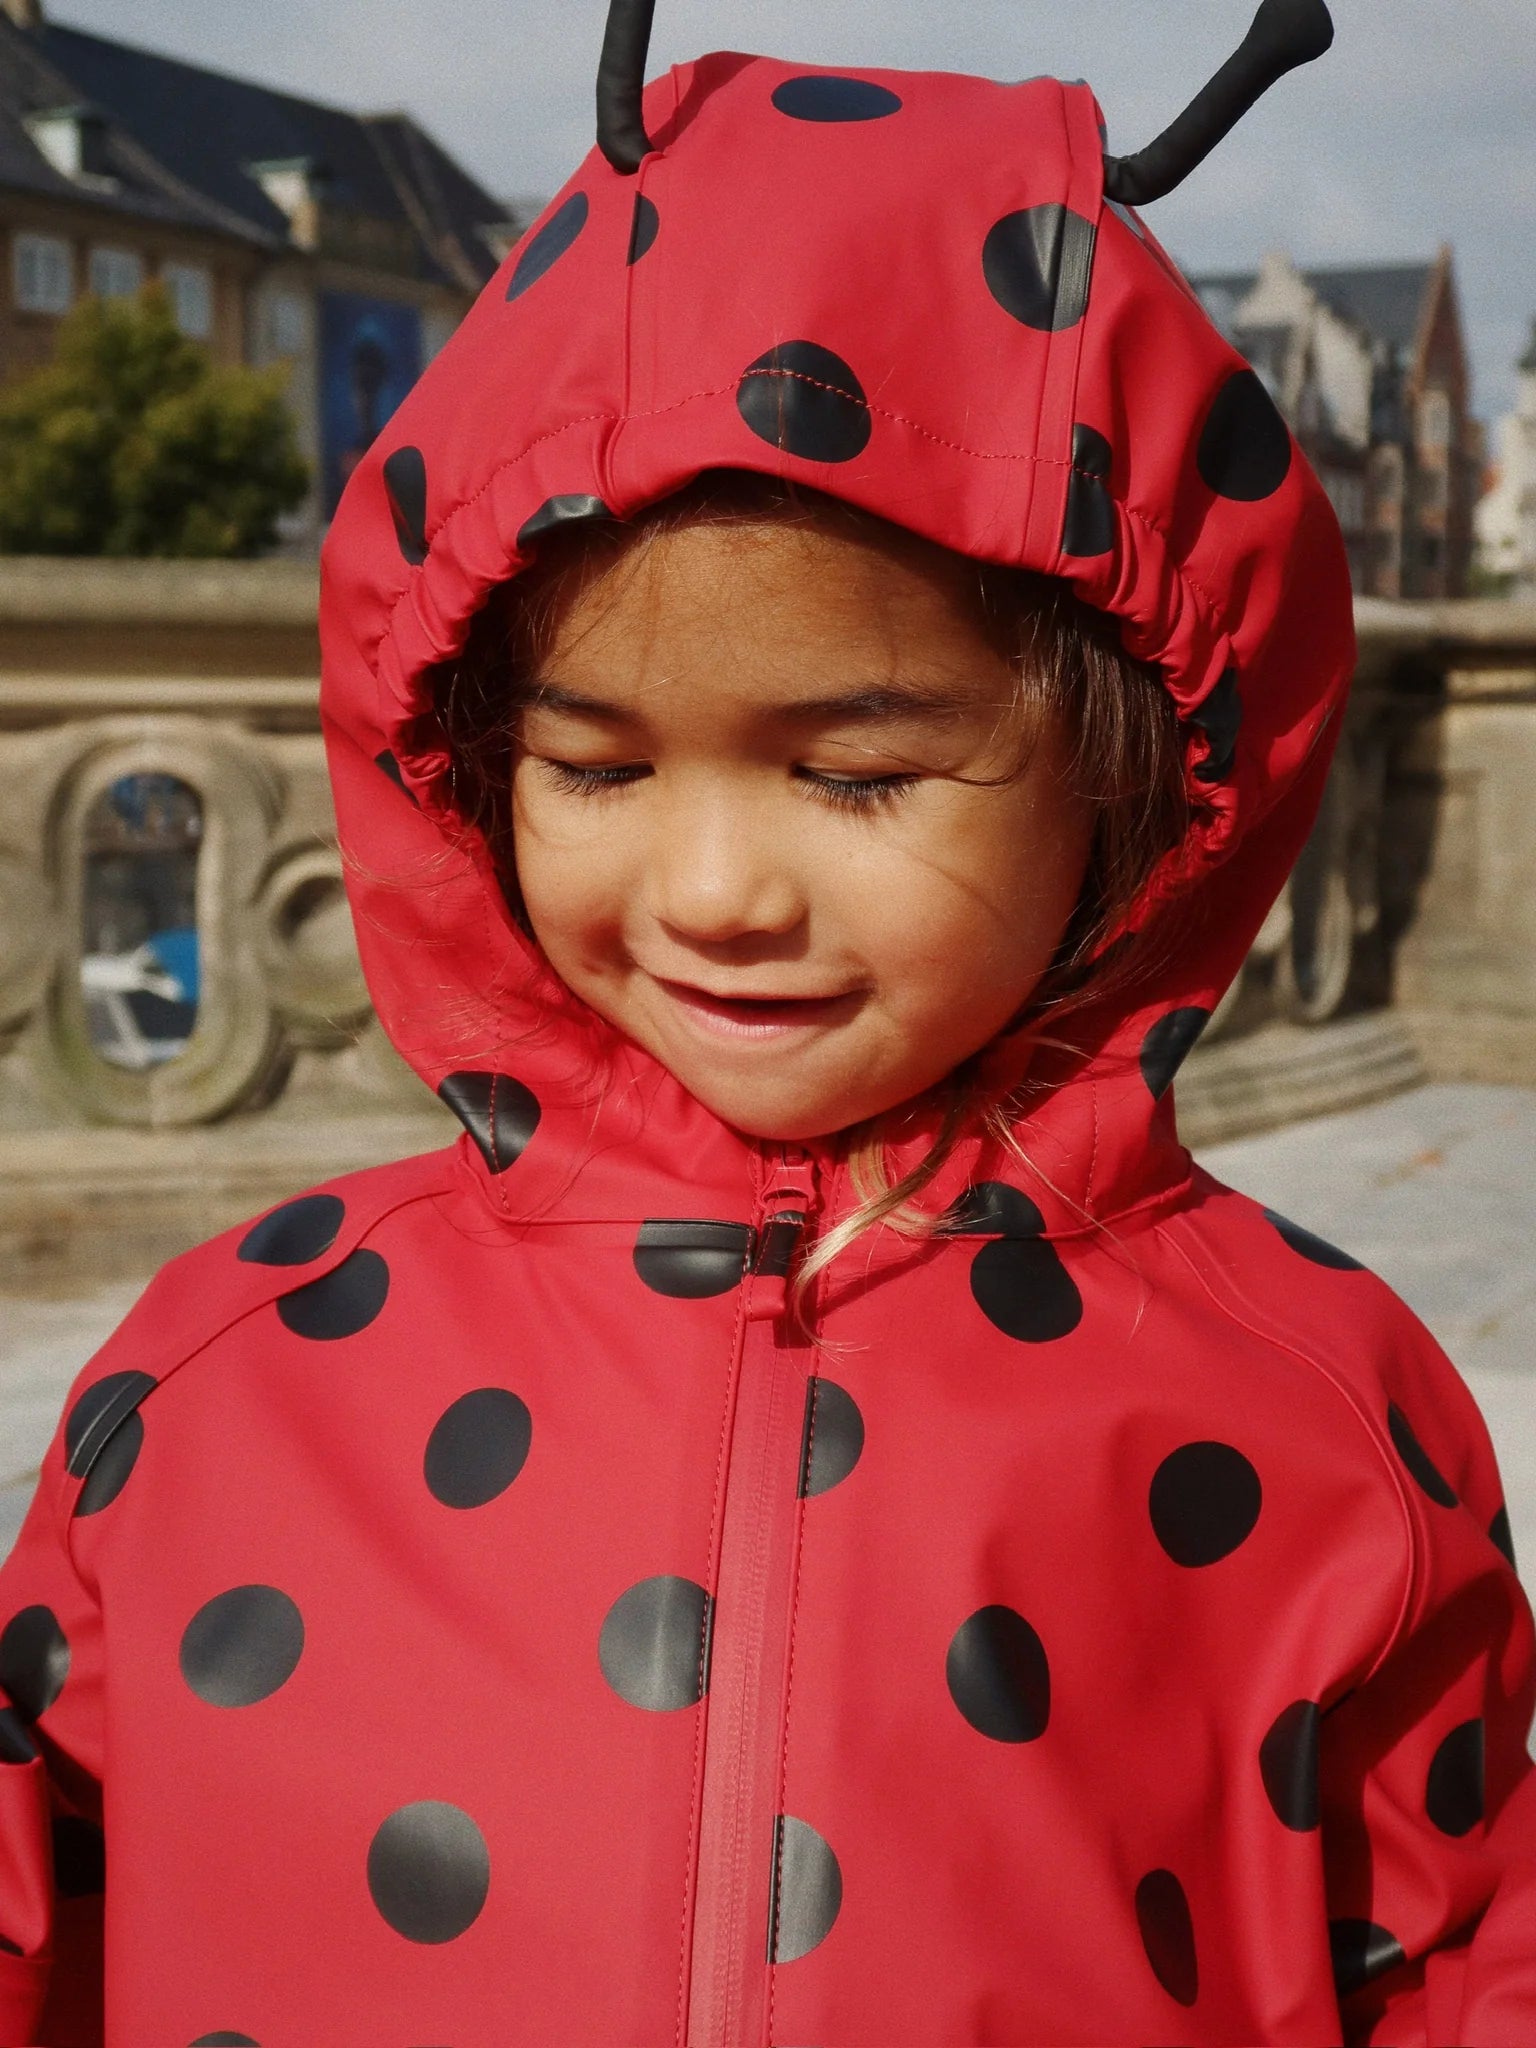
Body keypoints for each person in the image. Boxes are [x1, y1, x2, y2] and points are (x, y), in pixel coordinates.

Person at [2, 3, 1533, 2042]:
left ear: (1143, 768)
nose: (716, 890)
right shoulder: (217, 1381)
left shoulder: (1324, 1414)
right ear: (463, 759)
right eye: (601, 768)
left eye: (857, 774)